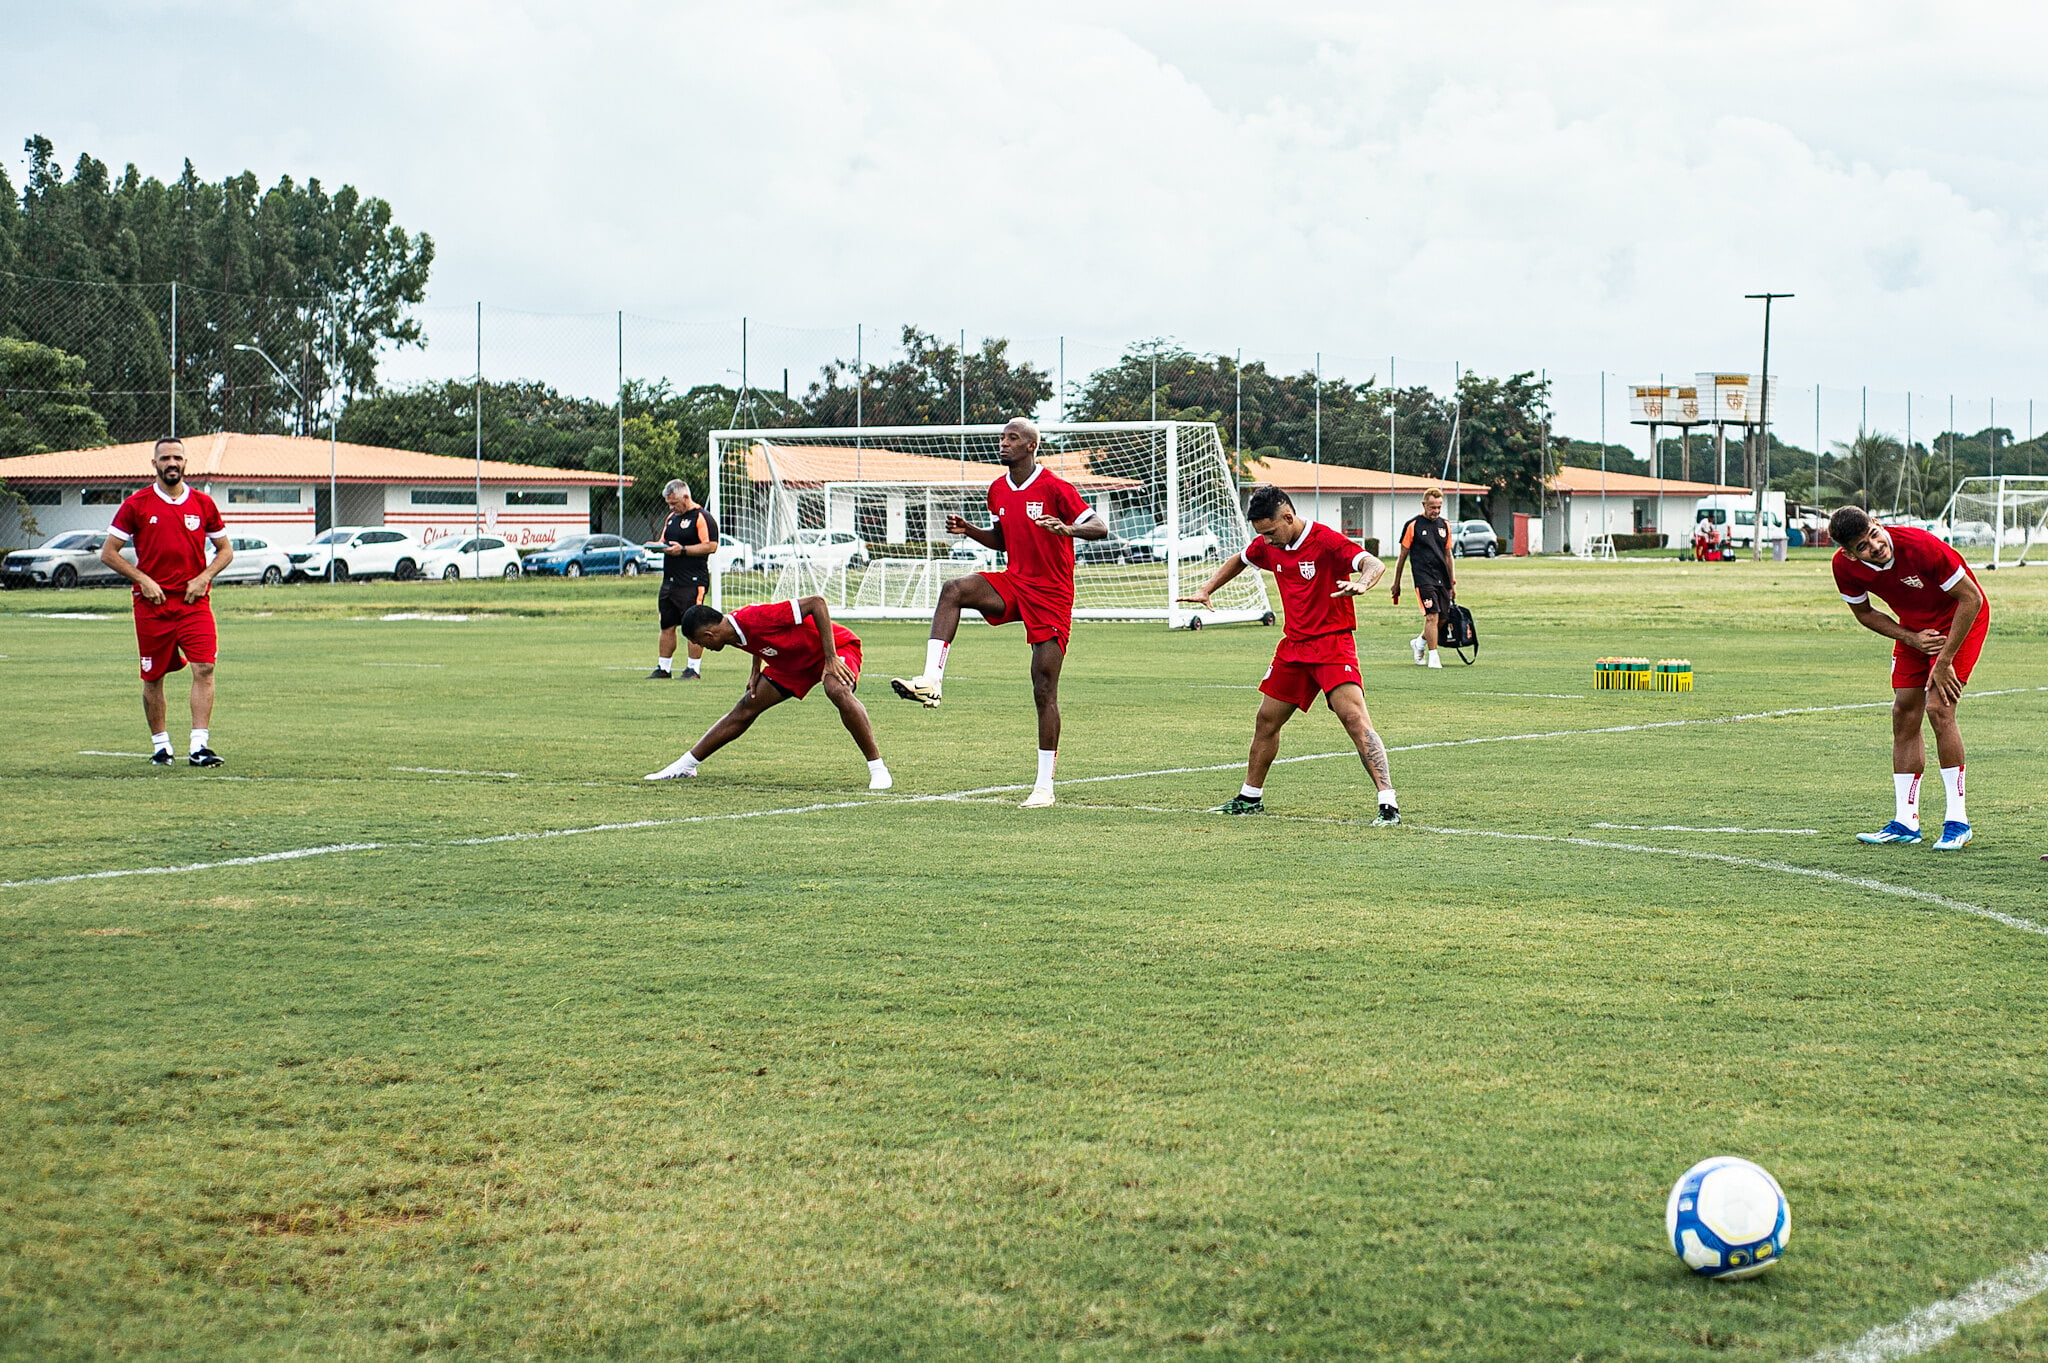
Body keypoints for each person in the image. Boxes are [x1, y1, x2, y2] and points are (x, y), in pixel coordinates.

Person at [889, 417, 1107, 808]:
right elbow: (1002, 540)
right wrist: (969, 529)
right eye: (1001, 437)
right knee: (954, 589)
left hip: (1053, 595)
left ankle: (1044, 787)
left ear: (1030, 447)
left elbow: (1099, 526)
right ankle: (931, 680)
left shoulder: (1056, 488)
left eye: (1012, 438)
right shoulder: (997, 490)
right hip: (1014, 581)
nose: (1003, 443)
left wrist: (1067, 530)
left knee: (1043, 689)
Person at [1179, 484, 1400, 824]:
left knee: (1354, 719)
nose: (1266, 541)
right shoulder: (1268, 544)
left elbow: (1371, 563)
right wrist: (1207, 588)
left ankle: (1388, 806)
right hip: (1294, 647)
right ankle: (1250, 797)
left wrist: (1363, 583)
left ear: (1287, 517)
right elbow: (1241, 558)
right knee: (1266, 720)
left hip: (1331, 643)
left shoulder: (1326, 540)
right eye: (1261, 535)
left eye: (1270, 532)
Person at [1829, 505, 1989, 850]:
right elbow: (1864, 613)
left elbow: (1971, 598)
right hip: (1915, 630)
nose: (1875, 545)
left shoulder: (1920, 545)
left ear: (1876, 523)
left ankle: (1958, 821)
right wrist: (1909, 637)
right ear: (1849, 554)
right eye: (1863, 546)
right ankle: (1905, 822)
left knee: (1938, 708)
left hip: (1961, 620)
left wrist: (1944, 661)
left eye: (1874, 534)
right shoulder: (1843, 567)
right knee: (1903, 712)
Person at [645, 597, 892, 788]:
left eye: (699, 642)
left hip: (836, 648)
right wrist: (756, 667)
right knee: (746, 707)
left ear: (709, 634)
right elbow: (756, 638)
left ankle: (877, 768)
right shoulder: (732, 631)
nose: (701, 647)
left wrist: (830, 658)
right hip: (792, 663)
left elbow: (817, 603)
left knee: (836, 689)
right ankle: (686, 766)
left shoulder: (755, 616)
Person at [97, 437, 233, 766]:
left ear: (185, 463)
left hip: (193, 602)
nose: (171, 463)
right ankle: (161, 746)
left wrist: (204, 577)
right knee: (153, 676)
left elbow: (225, 551)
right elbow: (108, 553)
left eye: (177, 458)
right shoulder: (137, 504)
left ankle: (199, 747)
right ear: (154, 464)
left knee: (205, 667)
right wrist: (142, 579)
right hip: (152, 606)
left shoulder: (203, 504)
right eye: (165, 458)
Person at [645, 480, 719, 679]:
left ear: (686, 497)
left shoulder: (702, 517)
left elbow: (711, 546)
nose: (671, 507)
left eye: (674, 503)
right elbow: (664, 541)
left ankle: (693, 668)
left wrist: (683, 550)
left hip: (693, 581)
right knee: (666, 624)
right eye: (669, 504)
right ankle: (663, 668)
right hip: (670, 581)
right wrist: (656, 546)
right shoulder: (671, 517)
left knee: (693, 624)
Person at [1390, 486, 1457, 668]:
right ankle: (1434, 657)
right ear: (1424, 505)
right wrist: (1396, 583)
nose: (1435, 511)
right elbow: (1402, 556)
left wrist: (1452, 583)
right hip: (1423, 578)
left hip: (1442, 578)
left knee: (1443, 617)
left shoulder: (1445, 525)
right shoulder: (1413, 525)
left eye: (1438, 508)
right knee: (1432, 616)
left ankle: (1419, 642)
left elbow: (1448, 555)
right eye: (1432, 507)